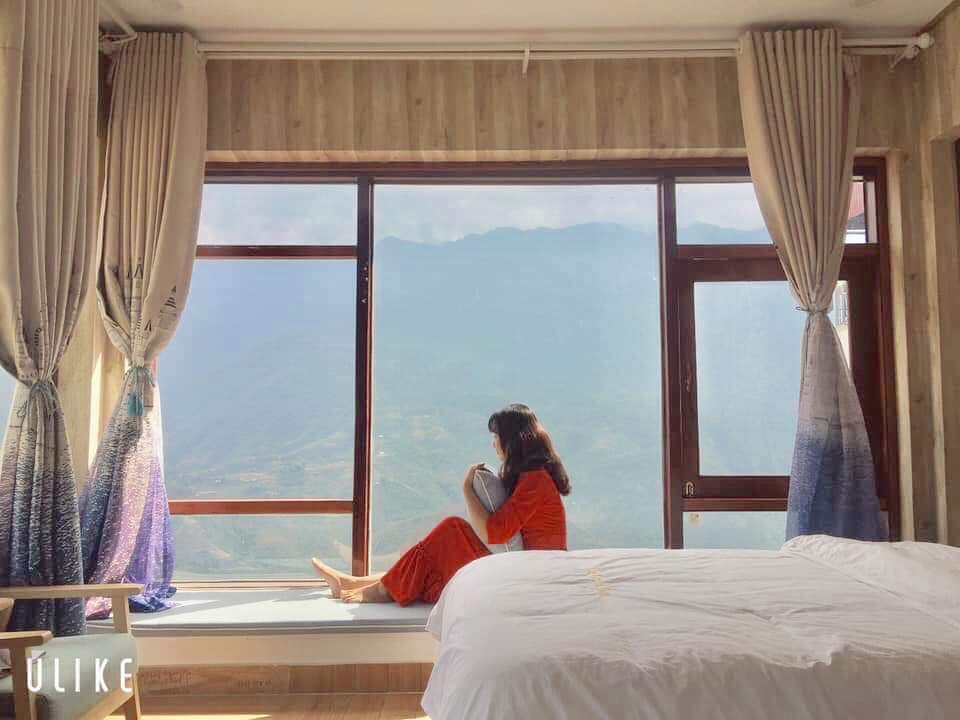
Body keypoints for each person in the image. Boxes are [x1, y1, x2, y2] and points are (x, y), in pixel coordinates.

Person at [311, 403, 570, 604]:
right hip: (529, 566)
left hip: (535, 574)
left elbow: (495, 532)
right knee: (447, 537)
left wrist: (467, 489)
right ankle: (355, 583)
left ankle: (374, 590)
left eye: (496, 437)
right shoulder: (531, 476)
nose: (494, 444)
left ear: (511, 441)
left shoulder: (534, 480)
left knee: (450, 530)